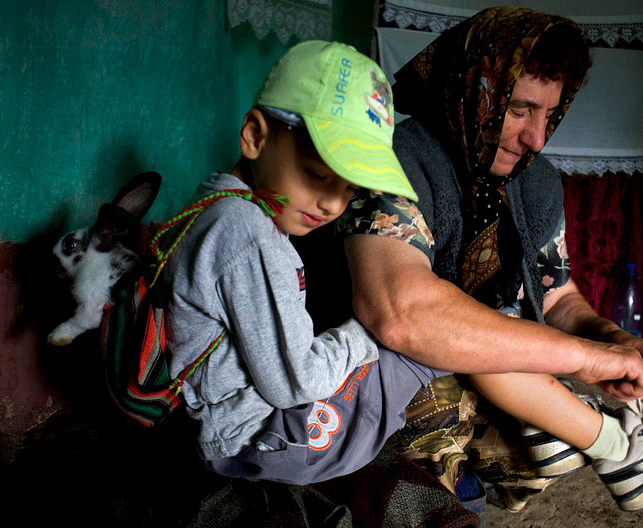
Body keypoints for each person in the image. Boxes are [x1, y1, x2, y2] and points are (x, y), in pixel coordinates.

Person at [321, 6, 643, 512]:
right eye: (519, 110)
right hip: (368, 380)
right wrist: (583, 358)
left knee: (520, 361)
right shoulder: (395, 160)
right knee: (448, 380)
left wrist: (613, 339)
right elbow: (400, 313)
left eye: (549, 115)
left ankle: (581, 443)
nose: (537, 137)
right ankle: (607, 449)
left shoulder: (534, 181)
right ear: (472, 93)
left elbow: (556, 294)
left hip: (476, 376)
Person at [161, 40, 448, 485]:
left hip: (237, 423)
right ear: (255, 136)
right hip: (257, 438)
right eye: (317, 174)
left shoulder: (219, 202)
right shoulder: (247, 233)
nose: (332, 204)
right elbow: (297, 383)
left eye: (350, 189)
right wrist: (364, 335)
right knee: (412, 351)